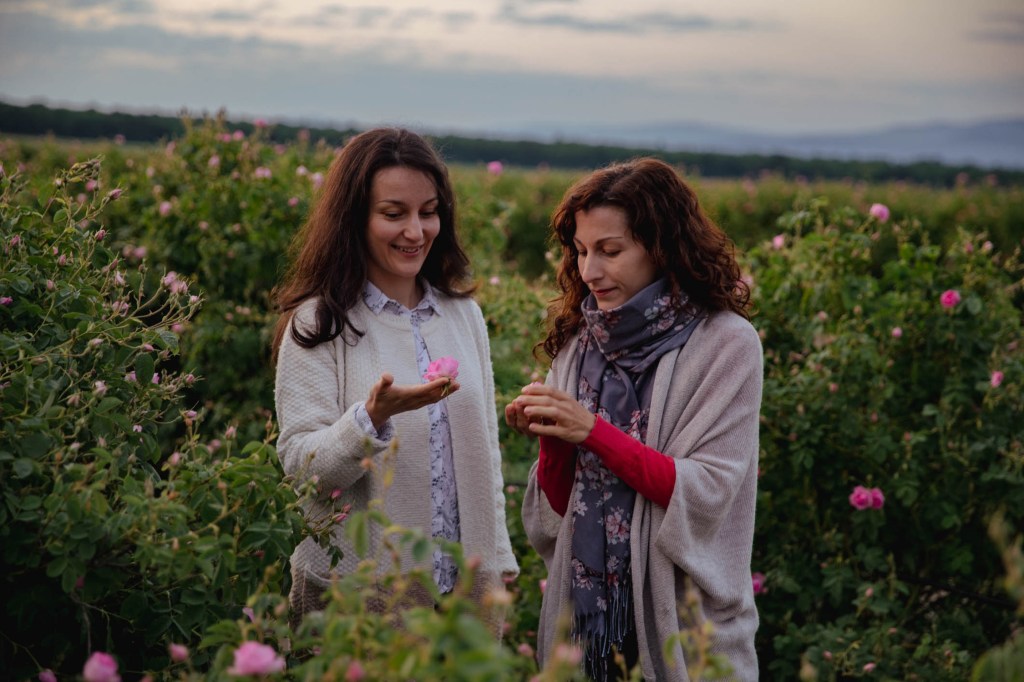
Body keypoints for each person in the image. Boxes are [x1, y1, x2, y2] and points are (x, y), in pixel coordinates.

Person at [508, 158, 762, 681]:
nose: (589, 272)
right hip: (584, 632)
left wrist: (591, 431)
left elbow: (708, 491)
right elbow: (559, 515)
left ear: (661, 246)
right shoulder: (580, 342)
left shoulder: (727, 344)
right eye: (581, 251)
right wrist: (553, 438)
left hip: (687, 630)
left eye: (610, 250)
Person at [272, 127, 518, 625]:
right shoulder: (320, 322)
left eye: (428, 212)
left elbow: (484, 451)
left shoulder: (463, 315)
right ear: (354, 219)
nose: (416, 231)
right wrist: (368, 420)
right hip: (360, 598)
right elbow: (301, 468)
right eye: (393, 213)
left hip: (465, 594)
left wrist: (498, 557)